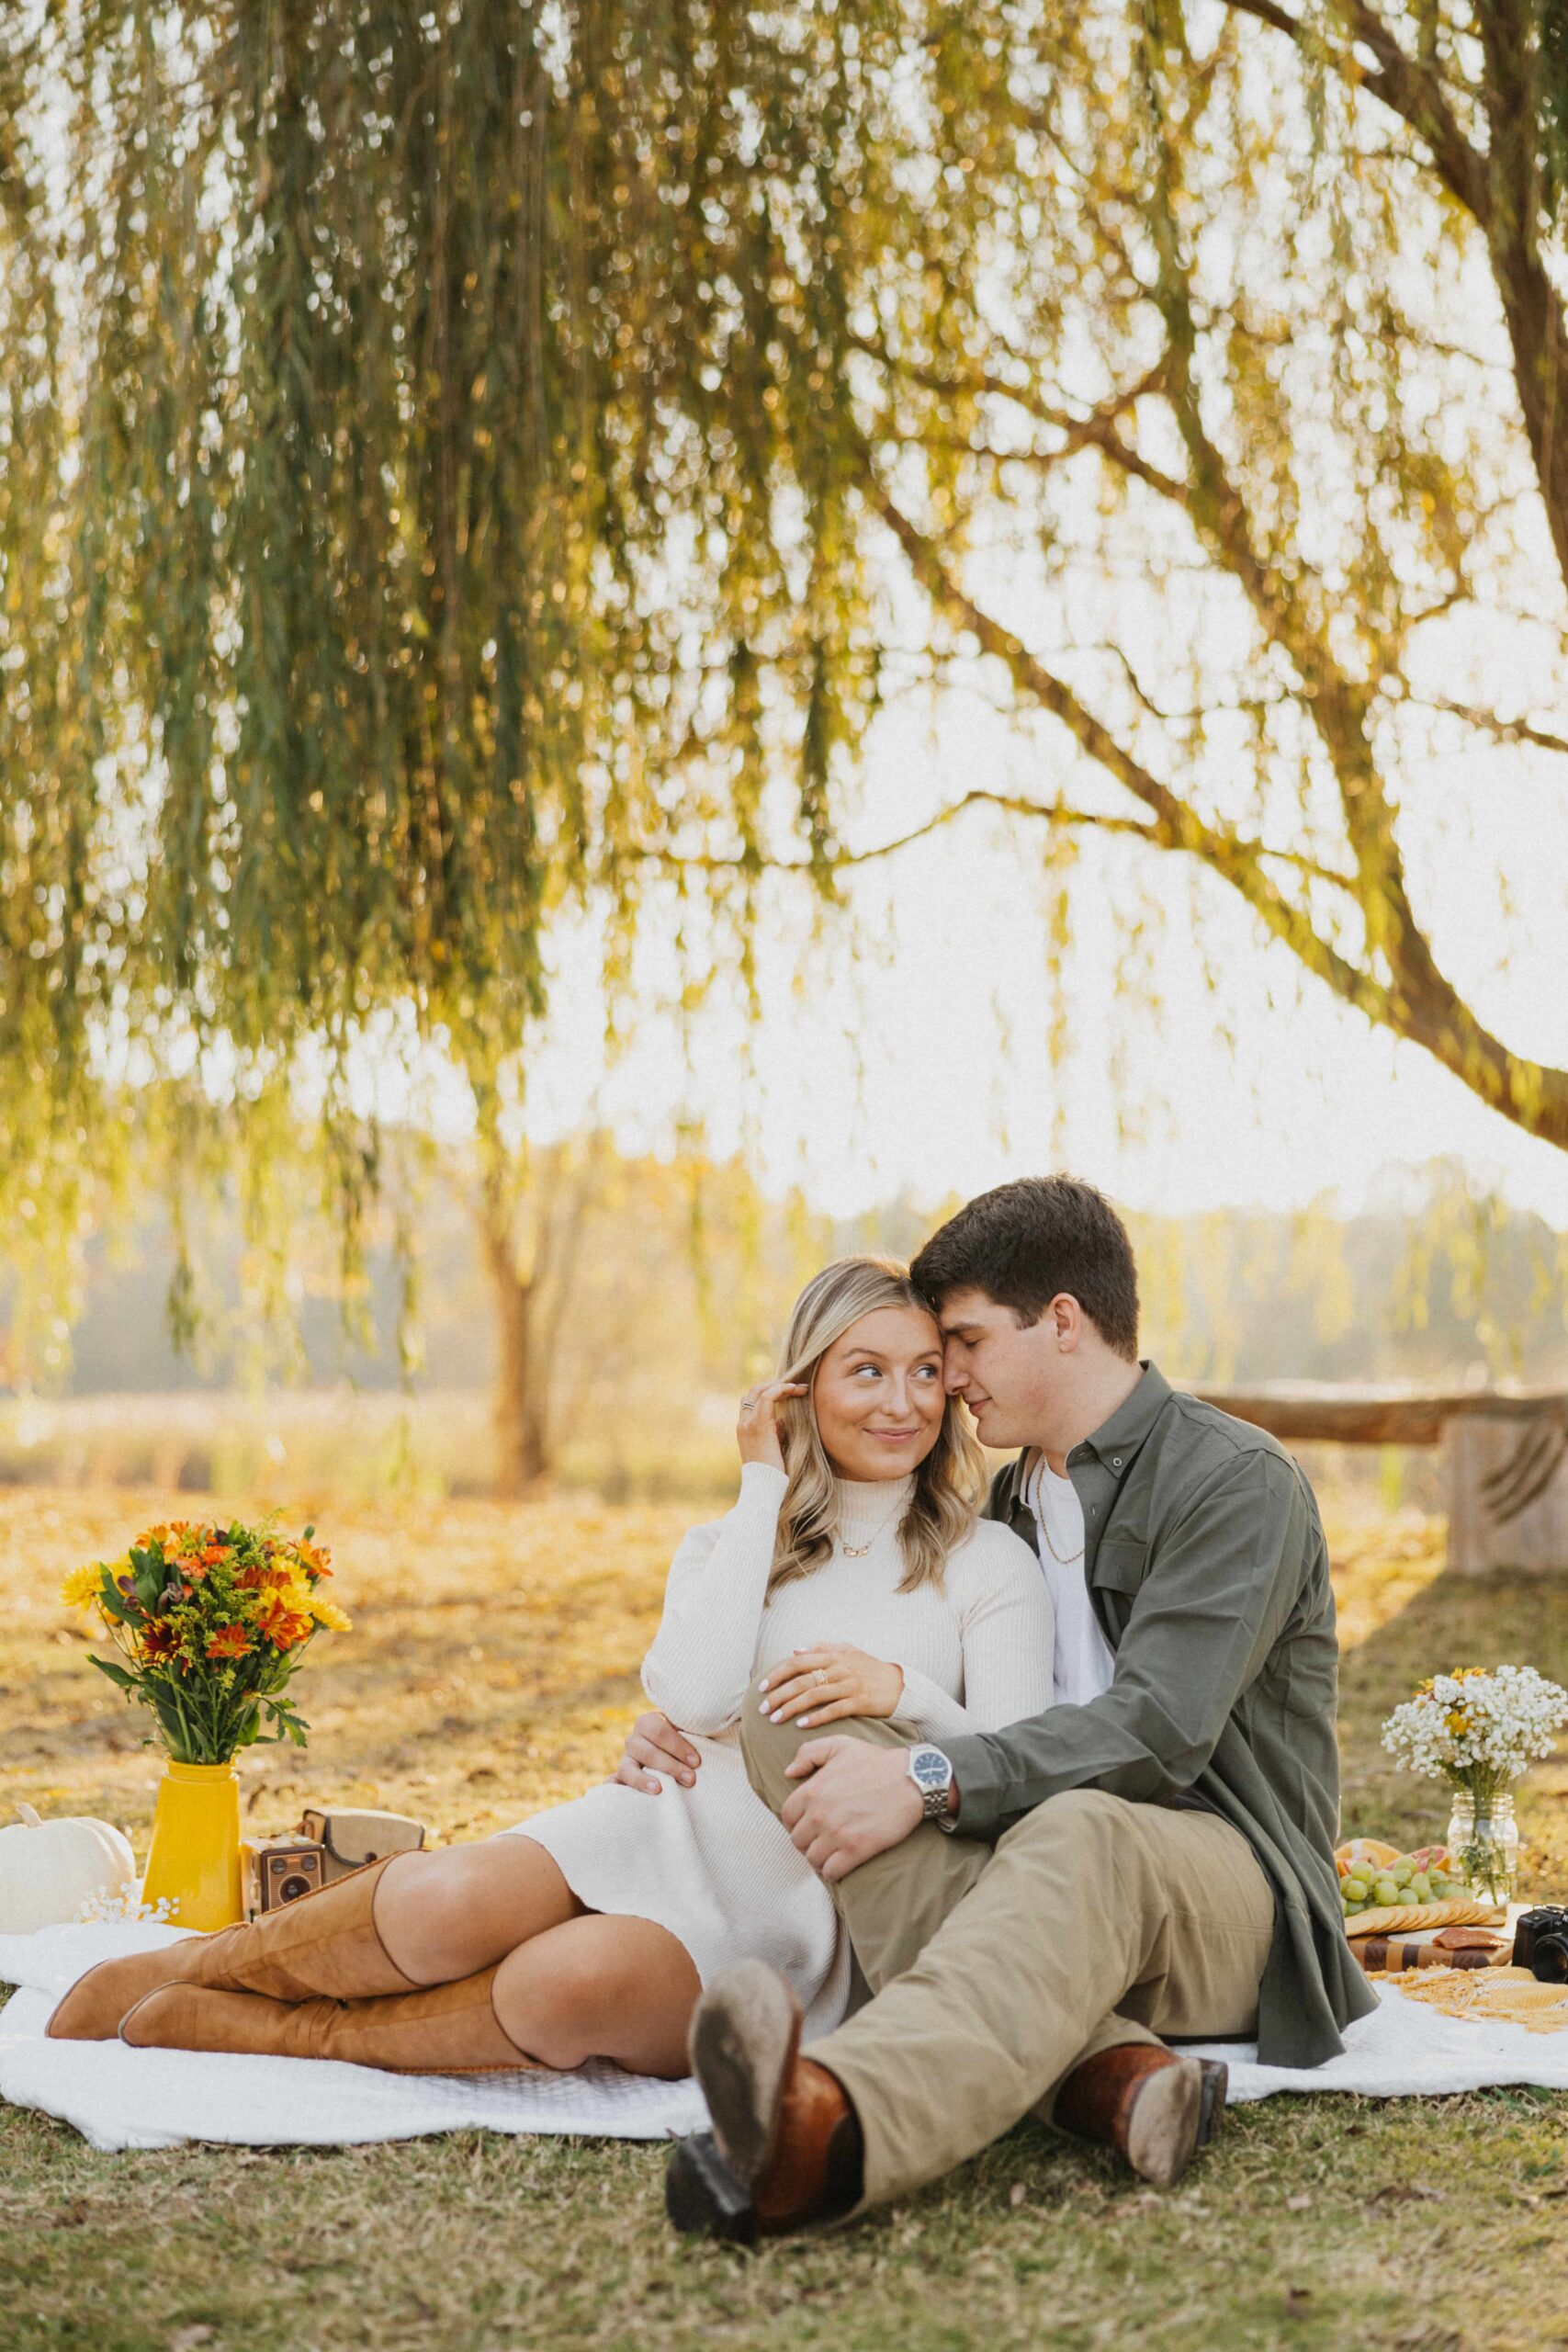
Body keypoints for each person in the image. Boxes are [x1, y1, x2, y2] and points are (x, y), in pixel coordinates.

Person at [48, 1257, 1051, 2079]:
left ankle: (278, 2032)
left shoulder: (987, 1562)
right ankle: (201, 1964)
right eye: (865, 1370)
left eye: (926, 1372)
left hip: (805, 1924)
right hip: (660, 1823)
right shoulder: (730, 1541)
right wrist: (762, 1485)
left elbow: (1024, 1766)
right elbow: (695, 1698)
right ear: (804, 1388)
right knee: (445, 1903)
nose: (902, 1402)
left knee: (560, 1985)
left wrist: (903, 1693)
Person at [643, 1176, 1377, 2240]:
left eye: (968, 1344)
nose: (947, 1379)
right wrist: (693, 1727)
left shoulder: (1234, 1481)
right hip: (1040, 1862)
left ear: (1064, 1323)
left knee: (1081, 1827)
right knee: (793, 1709)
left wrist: (931, 1775)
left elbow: (1157, 1733)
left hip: (1228, 1884)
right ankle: (1114, 2080)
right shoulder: (1008, 1505)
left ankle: (825, 2125)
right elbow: (964, 1713)